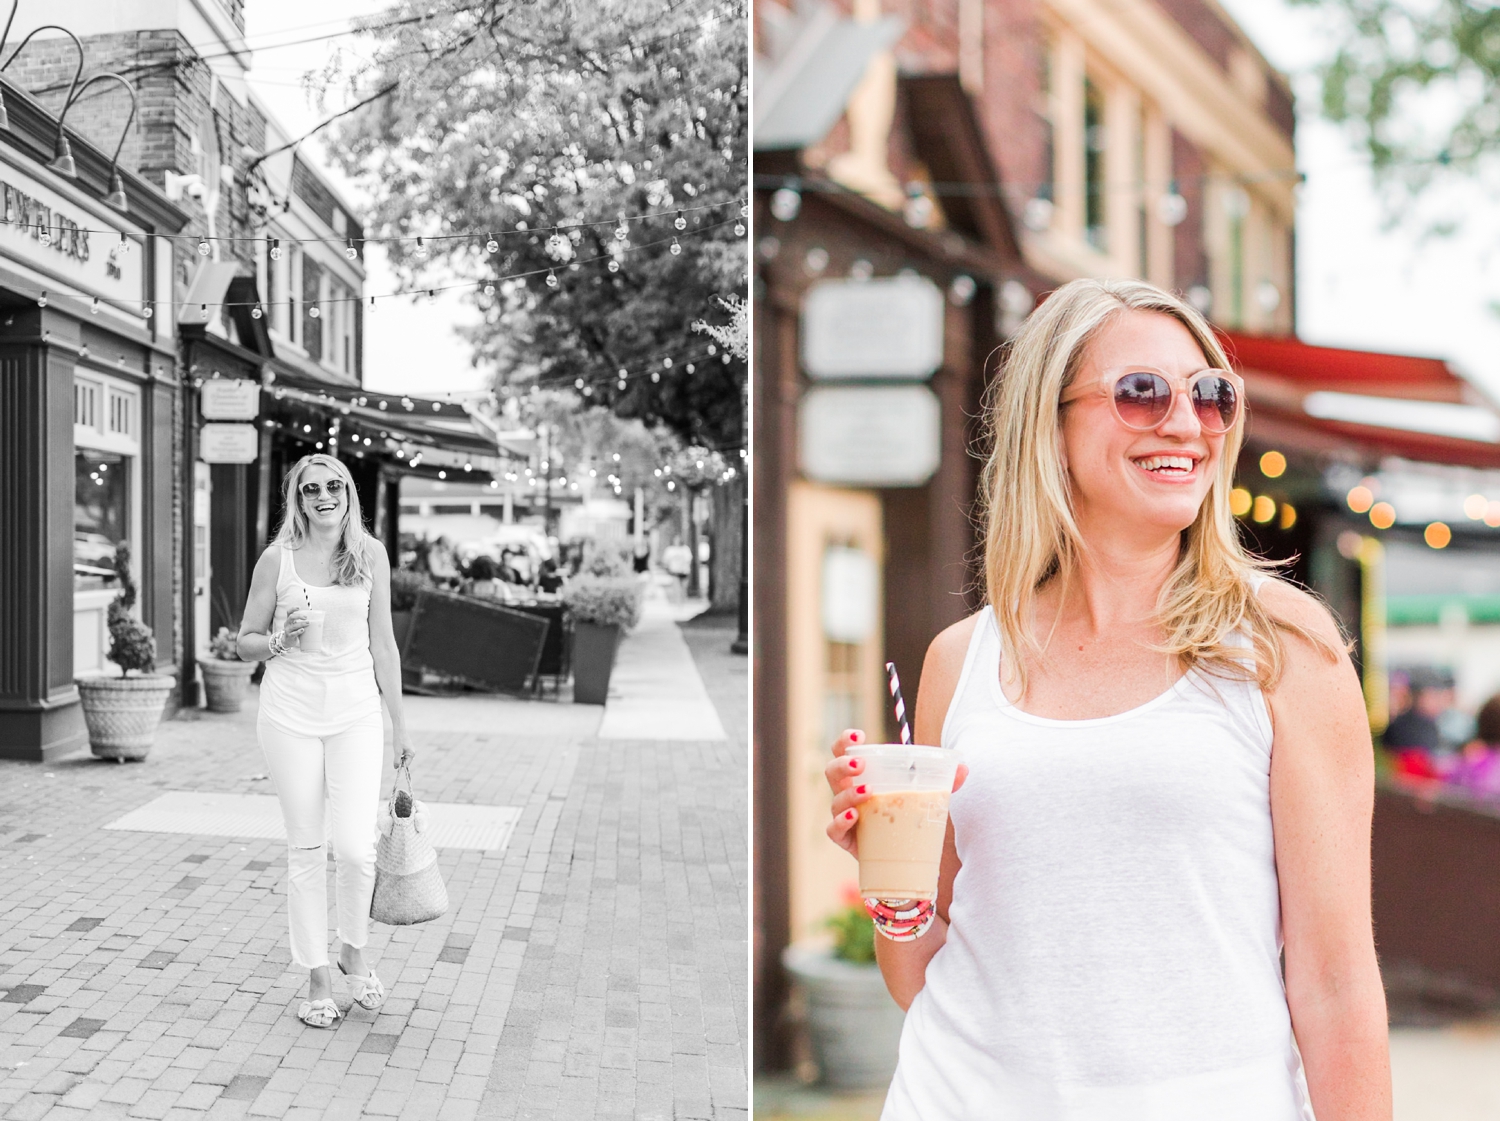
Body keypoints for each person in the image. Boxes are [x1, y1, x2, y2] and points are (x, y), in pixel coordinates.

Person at [824, 279, 1391, 1119]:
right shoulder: (962, 659)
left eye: (1211, 394)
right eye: (1140, 392)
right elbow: (924, 974)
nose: (1186, 422)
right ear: (1050, 425)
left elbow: (1337, 983)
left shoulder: (1282, 649)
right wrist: (890, 885)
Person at [237, 454, 415, 1029]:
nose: (323, 495)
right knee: (307, 850)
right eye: (311, 488)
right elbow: (244, 641)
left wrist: (400, 728)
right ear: (298, 498)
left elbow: (383, 646)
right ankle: (316, 977)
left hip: (356, 713)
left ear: (347, 493)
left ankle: (353, 953)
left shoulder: (369, 556)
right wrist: (277, 642)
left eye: (333, 485)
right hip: (289, 714)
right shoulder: (278, 560)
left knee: (359, 849)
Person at [1383, 666, 1452, 751]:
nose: (1438, 702)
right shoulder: (1404, 727)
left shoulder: (1433, 724)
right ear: (1418, 696)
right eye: (1433, 696)